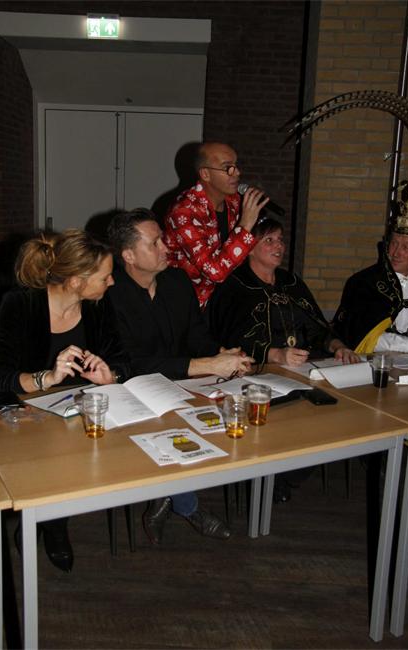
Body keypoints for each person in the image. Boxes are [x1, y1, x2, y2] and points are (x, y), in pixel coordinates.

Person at [107, 208, 254, 545]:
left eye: (162, 239)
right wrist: (205, 365)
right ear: (128, 255)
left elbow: (197, 337)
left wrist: (223, 355)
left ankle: (165, 498)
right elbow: (130, 363)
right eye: (155, 242)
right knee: (174, 425)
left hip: (183, 386)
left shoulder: (177, 281)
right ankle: (188, 507)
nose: (166, 247)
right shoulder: (110, 294)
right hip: (131, 391)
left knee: (230, 414)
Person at [0, 229, 129, 572]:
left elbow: (123, 360)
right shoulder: (20, 304)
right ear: (77, 282)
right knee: (53, 454)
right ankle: (50, 523)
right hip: (24, 414)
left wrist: (110, 375)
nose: (112, 282)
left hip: (77, 412)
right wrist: (45, 378)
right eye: (105, 276)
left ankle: (52, 521)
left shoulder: (97, 305)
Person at [206, 216, 359, 368]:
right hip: (255, 370)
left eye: (280, 239)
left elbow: (317, 329)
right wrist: (277, 355)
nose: (279, 245)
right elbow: (233, 340)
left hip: (304, 366)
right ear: (249, 248)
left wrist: (339, 348)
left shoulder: (291, 282)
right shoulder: (234, 285)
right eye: (269, 240)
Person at [164, 141, 269, 307]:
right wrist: (245, 225)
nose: (237, 172)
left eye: (236, 165)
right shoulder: (183, 212)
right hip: (187, 305)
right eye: (228, 168)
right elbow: (215, 272)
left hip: (222, 301)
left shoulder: (234, 202)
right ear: (205, 174)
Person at [332, 180, 408, 353]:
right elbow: (360, 335)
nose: (396, 252)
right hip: (373, 362)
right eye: (393, 243)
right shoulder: (365, 283)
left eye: (406, 247)